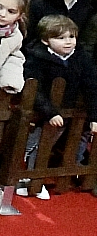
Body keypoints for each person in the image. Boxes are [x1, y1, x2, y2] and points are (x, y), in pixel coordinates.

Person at [19, 15, 97, 197]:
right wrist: (50, 112)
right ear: (46, 40)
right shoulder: (36, 58)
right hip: (40, 113)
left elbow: (91, 86)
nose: (68, 42)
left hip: (67, 112)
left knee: (52, 145)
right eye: (60, 38)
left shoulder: (81, 57)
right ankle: (27, 179)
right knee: (32, 144)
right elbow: (33, 88)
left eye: (71, 37)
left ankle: (38, 178)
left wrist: (94, 116)